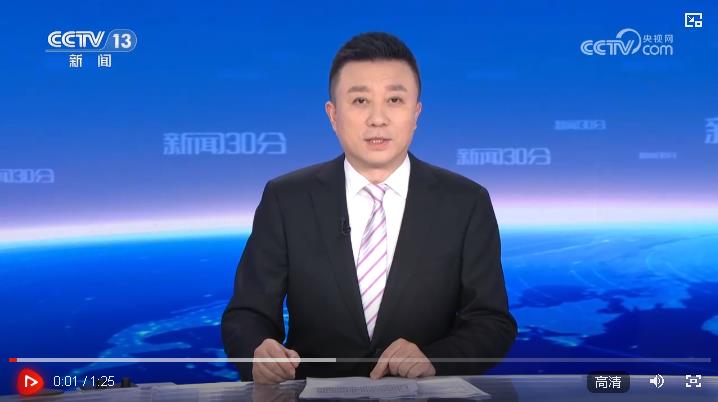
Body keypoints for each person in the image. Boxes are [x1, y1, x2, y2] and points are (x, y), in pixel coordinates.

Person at [221, 31, 517, 384]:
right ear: (333, 115)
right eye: (360, 100)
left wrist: (435, 359)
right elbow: (246, 315)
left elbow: (491, 322)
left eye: (394, 100)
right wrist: (258, 352)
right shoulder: (287, 199)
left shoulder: (466, 202)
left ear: (416, 113)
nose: (378, 118)